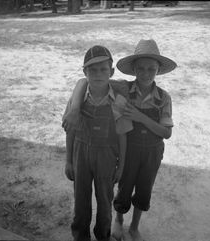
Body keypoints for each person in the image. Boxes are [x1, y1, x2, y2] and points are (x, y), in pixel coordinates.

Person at [63, 39, 177, 241]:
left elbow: (164, 133)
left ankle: (125, 229)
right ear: (133, 69)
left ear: (158, 70)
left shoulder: (154, 97)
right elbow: (82, 82)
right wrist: (73, 109)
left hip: (138, 153)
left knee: (136, 191)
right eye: (141, 68)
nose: (145, 73)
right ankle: (102, 228)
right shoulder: (119, 89)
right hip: (102, 151)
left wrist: (140, 118)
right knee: (103, 196)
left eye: (151, 69)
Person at [62, 45, 133, 241]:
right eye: (92, 70)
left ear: (111, 71)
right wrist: (69, 160)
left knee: (104, 200)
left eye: (103, 69)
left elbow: (122, 135)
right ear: (85, 72)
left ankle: (103, 235)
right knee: (81, 200)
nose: (98, 74)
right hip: (80, 154)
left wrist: (121, 166)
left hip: (107, 157)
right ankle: (80, 235)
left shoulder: (118, 100)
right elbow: (70, 130)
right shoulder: (77, 101)